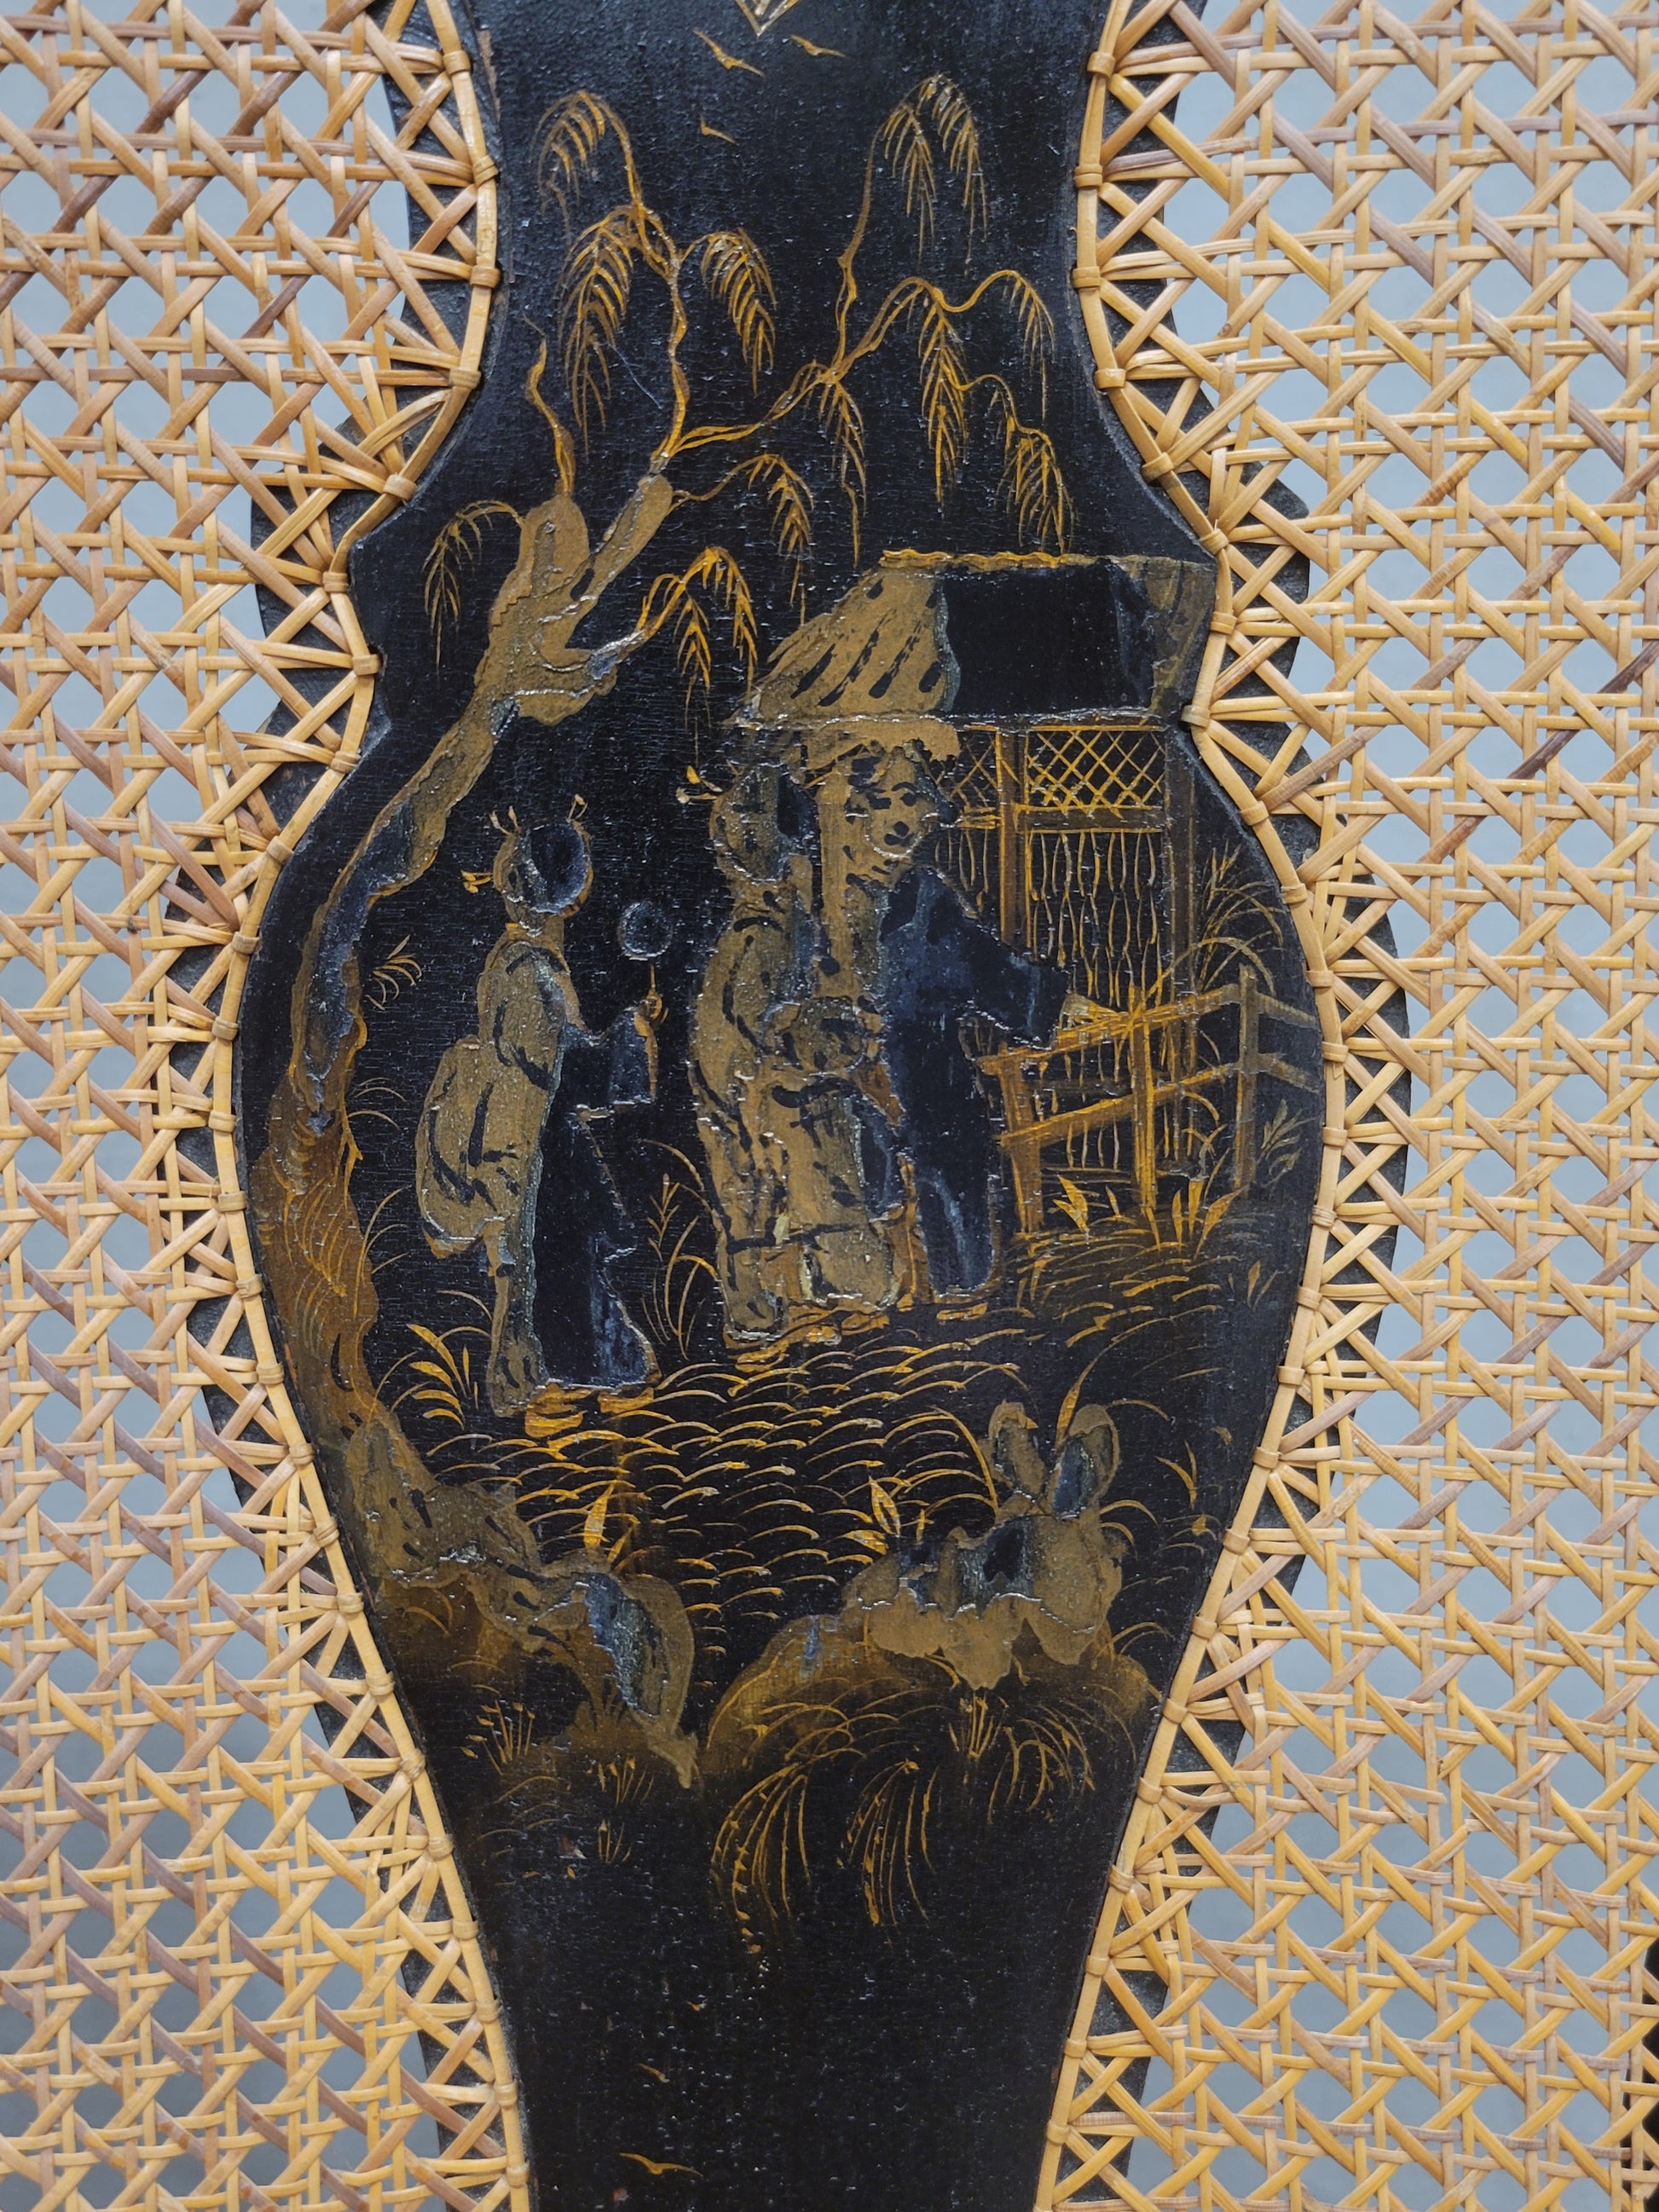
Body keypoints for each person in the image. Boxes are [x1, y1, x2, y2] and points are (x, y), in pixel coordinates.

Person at [416, 818, 656, 1412]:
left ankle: (560, 1379)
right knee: (552, 1265)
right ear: (570, 895)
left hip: (530, 1139)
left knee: (554, 1267)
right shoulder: (531, 976)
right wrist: (629, 1041)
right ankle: (547, 1385)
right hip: (533, 1146)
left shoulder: (523, 965)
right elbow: (556, 1076)